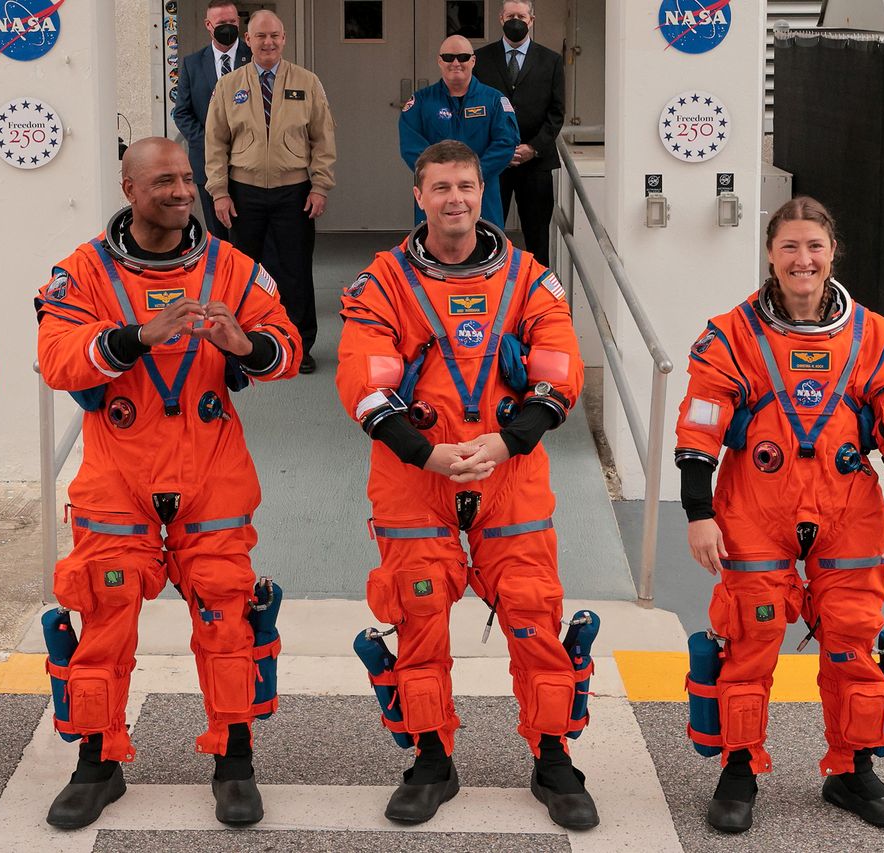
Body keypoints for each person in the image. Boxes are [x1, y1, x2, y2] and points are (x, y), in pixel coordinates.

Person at [35, 137, 301, 830]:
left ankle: (234, 758)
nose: (182, 191)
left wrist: (248, 346)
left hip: (210, 468)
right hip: (119, 469)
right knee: (104, 609)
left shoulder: (231, 266)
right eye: (164, 181)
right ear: (129, 187)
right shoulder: (82, 274)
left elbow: (288, 346)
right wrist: (134, 337)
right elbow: (59, 360)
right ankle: (98, 760)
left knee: (226, 614)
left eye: (187, 178)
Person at [336, 140, 597, 830]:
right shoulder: (382, 283)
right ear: (418, 196)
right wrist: (428, 453)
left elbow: (561, 369)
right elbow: (362, 380)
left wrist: (507, 439)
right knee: (418, 612)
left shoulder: (529, 279)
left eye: (468, 186)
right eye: (442, 187)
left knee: (532, 610)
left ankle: (552, 755)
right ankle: (430, 758)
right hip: (417, 474)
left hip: (506, 468)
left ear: (484, 193)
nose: (456, 198)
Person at [676, 196, 884, 833]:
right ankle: (738, 770)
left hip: (849, 510)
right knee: (749, 641)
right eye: (789, 246)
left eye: (814, 246)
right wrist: (698, 511)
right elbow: (700, 427)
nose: (803, 259)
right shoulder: (730, 335)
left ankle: (853, 772)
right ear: (769, 254)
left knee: (852, 639)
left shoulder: (875, 336)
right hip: (754, 509)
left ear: (832, 252)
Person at [205, 10, 335, 374]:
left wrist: (320, 185)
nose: (269, 42)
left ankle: (299, 343)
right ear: (248, 40)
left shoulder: (307, 82)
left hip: (294, 192)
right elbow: (214, 142)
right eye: (261, 36)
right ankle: (242, 342)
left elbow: (323, 139)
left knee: (295, 270)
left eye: (275, 36)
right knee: (244, 271)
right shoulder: (230, 85)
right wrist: (219, 191)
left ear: (284, 38)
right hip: (242, 193)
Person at [473, 0, 564, 265]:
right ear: (501, 19)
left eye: (521, 16)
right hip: (493, 163)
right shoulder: (481, 60)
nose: (516, 20)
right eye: (510, 15)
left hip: (535, 162)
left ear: (532, 20)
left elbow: (556, 113)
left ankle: (539, 296)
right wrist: (501, 150)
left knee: (537, 237)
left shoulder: (551, 61)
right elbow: (476, 108)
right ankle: (489, 287)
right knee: (487, 232)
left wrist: (532, 147)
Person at [399, 35, 518, 229]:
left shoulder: (495, 100)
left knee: (487, 252)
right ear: (439, 61)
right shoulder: (420, 102)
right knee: (433, 252)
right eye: (448, 57)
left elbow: (506, 143)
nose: (456, 63)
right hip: (436, 194)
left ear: (473, 60)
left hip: (481, 195)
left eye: (463, 57)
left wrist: (471, 175)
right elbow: (410, 146)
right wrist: (442, 177)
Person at [172, 0, 252, 239]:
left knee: (249, 235)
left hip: (249, 163)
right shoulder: (192, 63)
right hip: (207, 163)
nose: (227, 27)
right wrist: (210, 142)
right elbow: (182, 113)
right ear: (208, 25)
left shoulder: (254, 58)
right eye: (221, 23)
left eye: (232, 22)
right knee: (219, 236)